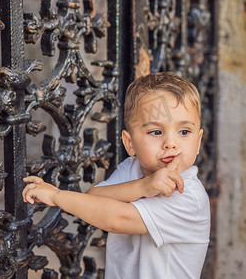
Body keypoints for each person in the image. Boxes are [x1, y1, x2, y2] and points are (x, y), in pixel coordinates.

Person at [23, 72, 210, 279]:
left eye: (184, 132)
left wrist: (57, 196)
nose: (171, 143)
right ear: (129, 143)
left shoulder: (188, 196)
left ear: (199, 141)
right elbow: (94, 198)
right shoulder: (131, 167)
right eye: (156, 132)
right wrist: (143, 186)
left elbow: (117, 218)